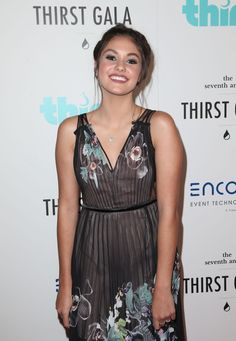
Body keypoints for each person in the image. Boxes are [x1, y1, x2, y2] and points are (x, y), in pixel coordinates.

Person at [55, 24, 185, 340]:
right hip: (91, 261)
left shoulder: (160, 126)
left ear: (142, 73)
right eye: (111, 57)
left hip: (147, 260)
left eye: (131, 60)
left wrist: (163, 287)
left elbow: (170, 215)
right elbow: (69, 208)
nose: (120, 67)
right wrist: (66, 282)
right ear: (97, 65)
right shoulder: (70, 131)